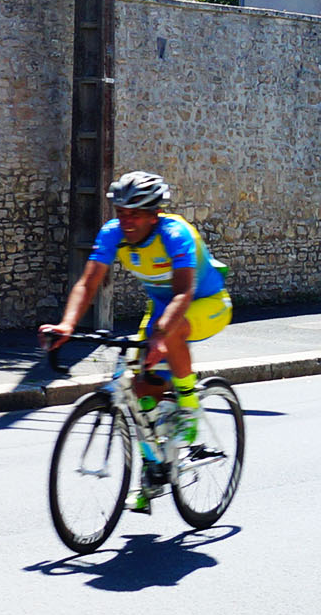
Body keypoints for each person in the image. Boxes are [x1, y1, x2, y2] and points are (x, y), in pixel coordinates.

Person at [42, 170, 229, 452]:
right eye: (121, 212)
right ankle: (153, 473)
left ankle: (189, 410)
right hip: (162, 310)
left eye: (135, 214)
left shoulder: (175, 234)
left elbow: (183, 293)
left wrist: (161, 336)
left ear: (155, 214)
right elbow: (88, 282)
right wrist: (67, 325)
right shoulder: (113, 232)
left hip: (208, 304)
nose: (126, 221)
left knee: (169, 331)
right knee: (141, 392)